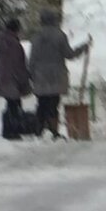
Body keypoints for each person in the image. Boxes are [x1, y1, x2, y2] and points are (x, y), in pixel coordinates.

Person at [28, 7, 90, 139]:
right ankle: (53, 130)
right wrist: (83, 48)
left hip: (40, 76)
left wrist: (30, 74)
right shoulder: (60, 35)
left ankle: (38, 130)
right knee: (54, 104)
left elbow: (32, 58)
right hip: (56, 76)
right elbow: (69, 54)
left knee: (41, 103)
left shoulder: (36, 36)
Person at [0, 18, 30, 140]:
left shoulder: (0, 42)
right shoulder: (15, 44)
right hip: (13, 79)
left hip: (2, 78)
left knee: (10, 103)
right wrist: (24, 80)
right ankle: (12, 131)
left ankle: (7, 130)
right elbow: (19, 65)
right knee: (14, 105)